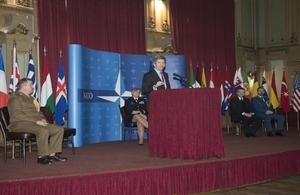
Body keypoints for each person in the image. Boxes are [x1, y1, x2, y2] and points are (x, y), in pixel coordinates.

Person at [8, 78, 67, 165]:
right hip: (20, 124)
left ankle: (52, 154)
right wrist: (36, 121)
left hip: (34, 123)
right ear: (24, 86)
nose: (33, 86)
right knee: (43, 131)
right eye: (30, 84)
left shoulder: (31, 98)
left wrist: (43, 119)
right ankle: (42, 157)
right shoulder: (15, 98)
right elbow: (18, 115)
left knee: (58, 129)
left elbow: (38, 112)